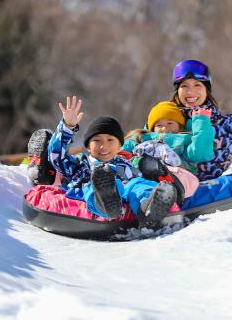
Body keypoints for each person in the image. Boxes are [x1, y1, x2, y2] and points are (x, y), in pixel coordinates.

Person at [48, 96, 182, 229]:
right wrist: (67, 127)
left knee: (139, 184)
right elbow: (56, 156)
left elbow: (140, 178)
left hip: (126, 190)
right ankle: (104, 202)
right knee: (93, 186)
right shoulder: (80, 163)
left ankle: (148, 210)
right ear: (88, 147)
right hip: (93, 190)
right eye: (97, 140)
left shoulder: (126, 164)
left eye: (110, 140)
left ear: (119, 146)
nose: (103, 146)